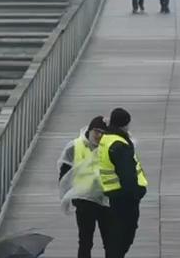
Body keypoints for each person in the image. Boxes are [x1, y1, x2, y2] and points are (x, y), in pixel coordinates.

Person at [99, 108, 147, 258]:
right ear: (125, 124)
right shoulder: (120, 145)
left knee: (116, 236)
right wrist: (136, 194)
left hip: (112, 194)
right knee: (125, 235)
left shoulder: (106, 139)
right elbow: (127, 174)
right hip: (125, 197)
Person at [58, 116, 109, 258]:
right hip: (84, 201)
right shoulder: (75, 146)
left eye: (103, 133)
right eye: (97, 131)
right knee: (85, 241)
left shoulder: (110, 147)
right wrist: (72, 197)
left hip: (106, 200)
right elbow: (64, 174)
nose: (99, 136)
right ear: (90, 130)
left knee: (110, 242)